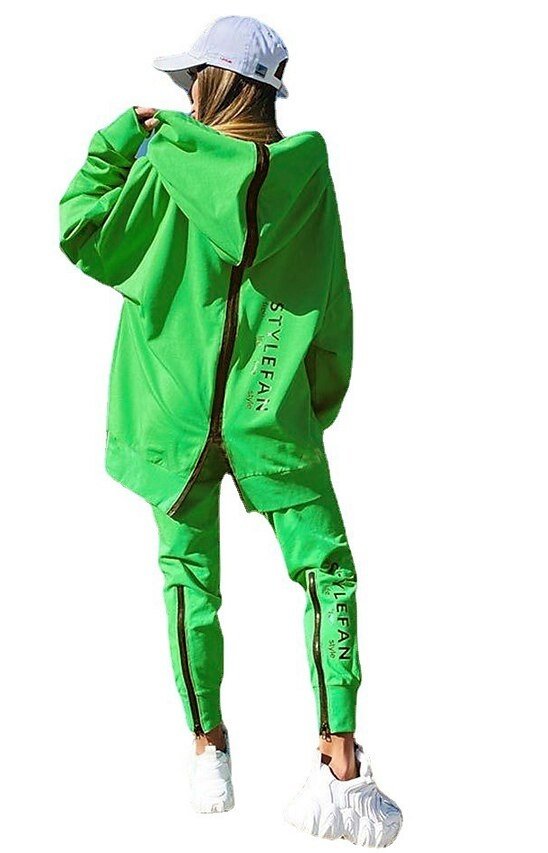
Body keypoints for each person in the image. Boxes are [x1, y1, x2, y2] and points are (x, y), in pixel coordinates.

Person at [59, 15, 402, 847]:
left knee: (188, 579)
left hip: (168, 413)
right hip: (269, 408)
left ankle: (208, 747)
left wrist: (118, 138)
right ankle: (340, 765)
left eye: (191, 83)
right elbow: (333, 294)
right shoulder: (308, 177)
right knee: (327, 572)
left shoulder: (161, 162)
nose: (185, 96)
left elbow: (81, 231)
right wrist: (311, 402)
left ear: (213, 85)